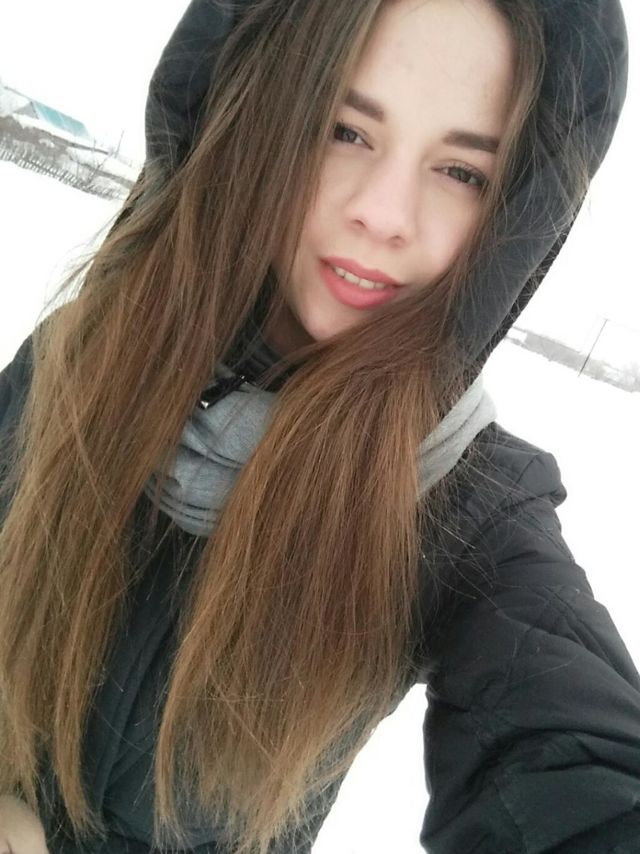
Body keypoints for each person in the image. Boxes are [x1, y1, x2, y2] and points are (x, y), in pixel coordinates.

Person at [0, 0, 638, 852]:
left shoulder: (470, 506)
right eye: (346, 130)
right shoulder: (90, 350)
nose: (385, 213)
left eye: (462, 172)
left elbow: (577, 762)